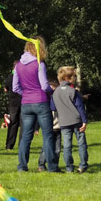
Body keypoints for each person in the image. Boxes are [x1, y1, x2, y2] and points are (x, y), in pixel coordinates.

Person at [13, 37, 60, 173]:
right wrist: (52, 91)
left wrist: (26, 93)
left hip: (26, 102)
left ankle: (22, 166)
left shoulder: (18, 65)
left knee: (26, 136)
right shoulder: (39, 63)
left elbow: (15, 87)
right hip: (40, 100)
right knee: (48, 134)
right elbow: (45, 85)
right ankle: (51, 166)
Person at [53, 67, 89, 173]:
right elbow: (80, 107)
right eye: (74, 76)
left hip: (63, 122)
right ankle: (83, 165)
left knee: (67, 146)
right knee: (81, 143)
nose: (75, 78)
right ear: (68, 78)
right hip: (77, 121)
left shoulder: (55, 92)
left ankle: (69, 167)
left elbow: (53, 107)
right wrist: (84, 121)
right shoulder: (73, 91)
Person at [38, 80, 61, 171]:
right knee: (46, 147)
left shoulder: (57, 98)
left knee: (57, 149)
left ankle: (55, 165)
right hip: (49, 127)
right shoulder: (45, 102)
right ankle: (41, 164)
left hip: (58, 127)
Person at [4, 62, 21, 150]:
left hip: (13, 102)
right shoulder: (23, 76)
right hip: (23, 101)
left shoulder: (9, 77)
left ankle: (9, 145)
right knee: (24, 124)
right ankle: (22, 145)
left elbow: (5, 88)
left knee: (13, 124)